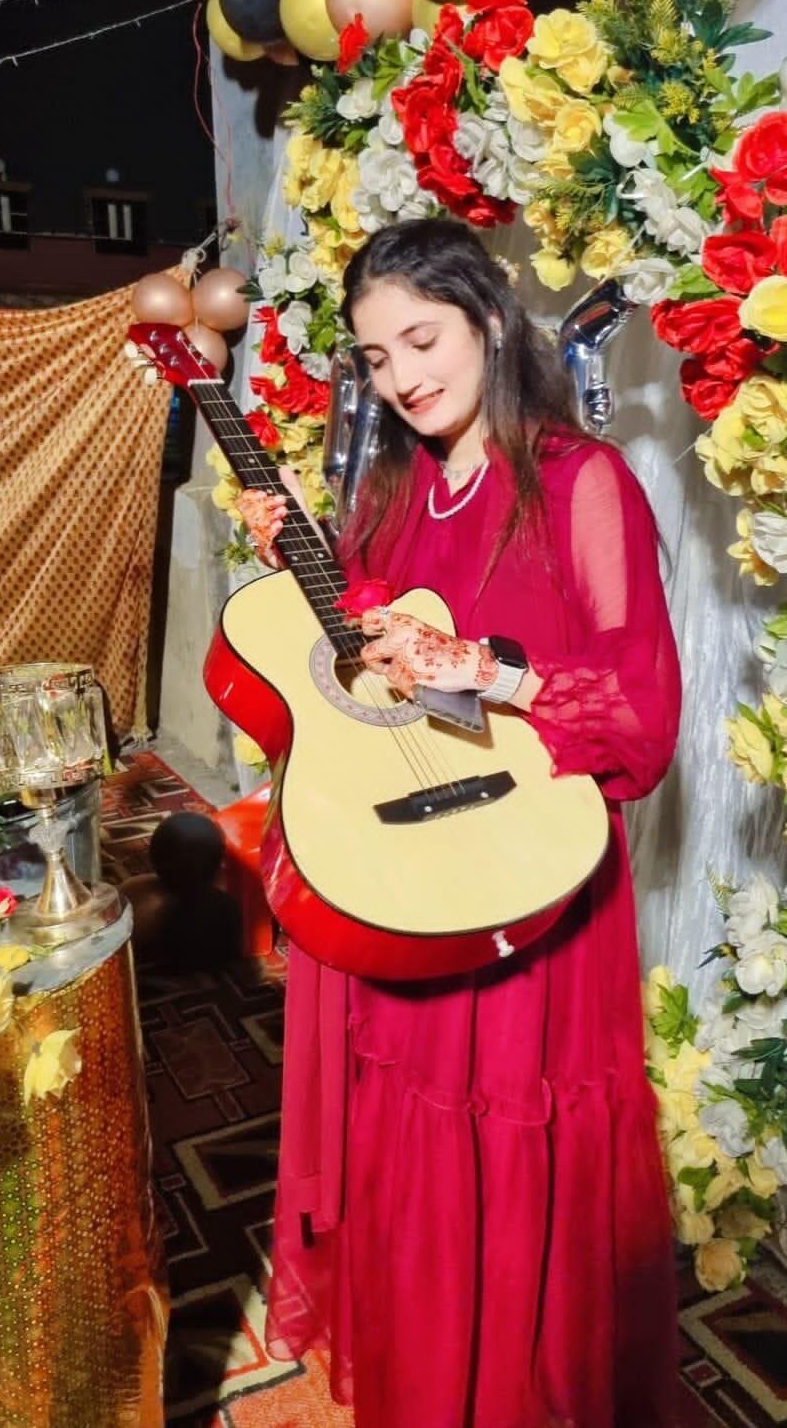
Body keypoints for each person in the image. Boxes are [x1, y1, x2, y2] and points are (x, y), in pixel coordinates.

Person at [236, 219, 682, 1428]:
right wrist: (313, 563)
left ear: (487, 321)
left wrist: (486, 668)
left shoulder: (582, 484)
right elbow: (378, 656)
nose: (402, 377)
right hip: (414, 856)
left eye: (421, 339)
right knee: (413, 1125)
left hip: (534, 870)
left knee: (512, 1138)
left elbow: (639, 722)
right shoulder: (398, 487)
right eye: (377, 358)